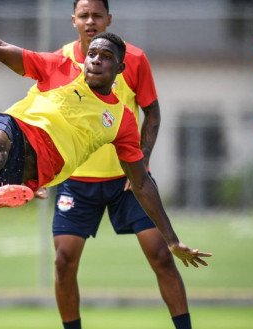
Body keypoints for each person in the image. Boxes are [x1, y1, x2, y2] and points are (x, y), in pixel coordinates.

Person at [0, 1, 211, 270]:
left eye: (106, 57)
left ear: (120, 69)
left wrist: (171, 239)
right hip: (12, 130)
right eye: (92, 53)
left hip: (32, 173)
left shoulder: (120, 121)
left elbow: (141, 183)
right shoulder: (58, 66)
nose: (95, 60)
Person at [40, 1, 192, 329]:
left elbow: (152, 111)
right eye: (84, 15)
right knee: (64, 262)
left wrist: (144, 159)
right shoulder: (60, 62)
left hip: (128, 182)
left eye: (97, 15)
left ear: (109, 19)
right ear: (74, 21)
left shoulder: (133, 59)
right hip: (76, 182)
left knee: (163, 255)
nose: (91, 21)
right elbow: (48, 124)